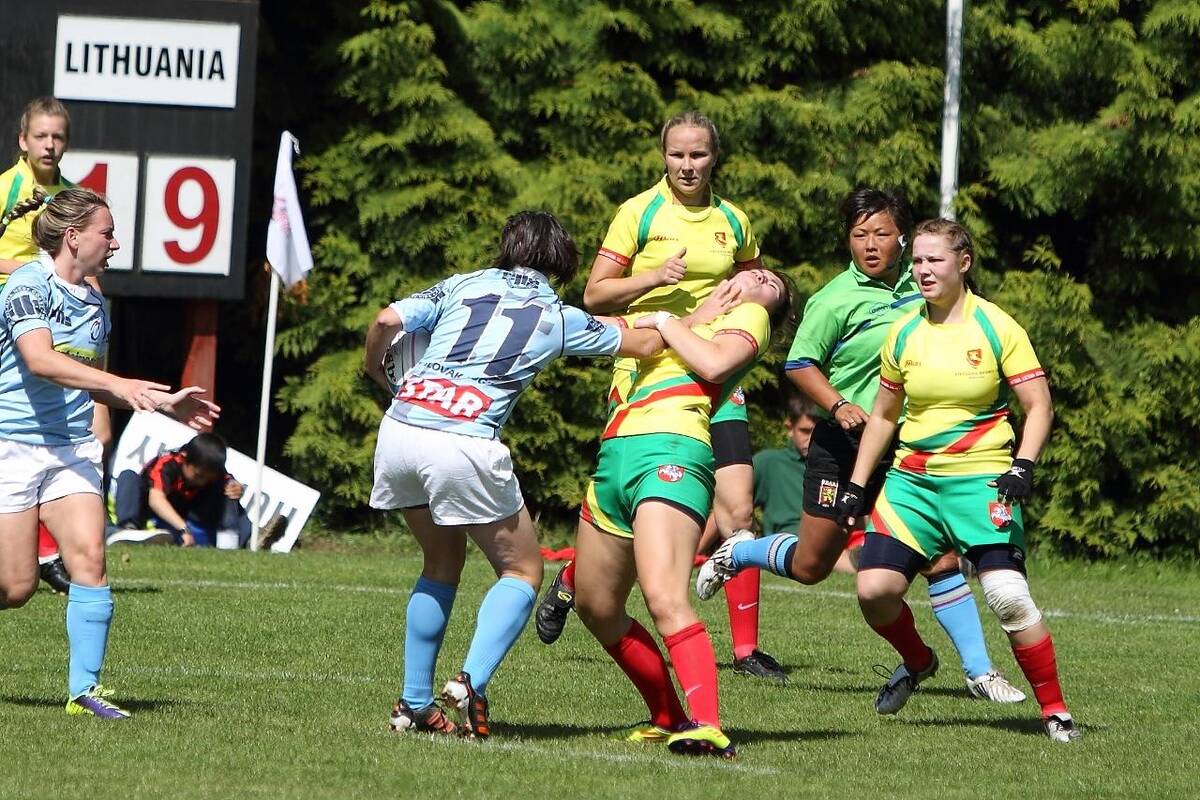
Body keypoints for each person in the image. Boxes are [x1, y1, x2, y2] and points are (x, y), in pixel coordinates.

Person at [696, 188, 1024, 702]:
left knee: (939, 558)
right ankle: (743, 549)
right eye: (859, 235)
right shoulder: (834, 299)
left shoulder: (926, 288)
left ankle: (979, 671)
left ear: (903, 237)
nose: (870, 245)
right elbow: (800, 363)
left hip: (907, 444)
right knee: (811, 566)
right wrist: (839, 404)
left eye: (882, 234)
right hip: (844, 443)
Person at [364, 210, 663, 739]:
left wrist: (377, 371)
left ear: (507, 247)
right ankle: (470, 681)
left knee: (440, 562)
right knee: (523, 571)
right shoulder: (558, 314)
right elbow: (643, 344)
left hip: (401, 427)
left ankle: (414, 703)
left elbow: (388, 321)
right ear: (561, 261)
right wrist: (683, 317)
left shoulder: (464, 283)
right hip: (465, 440)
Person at [536, 110, 784, 681]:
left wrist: (742, 333)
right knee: (638, 515)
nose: (687, 165)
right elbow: (595, 296)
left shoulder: (734, 220)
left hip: (713, 371)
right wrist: (654, 278)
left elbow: (754, 287)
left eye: (698, 154)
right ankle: (574, 579)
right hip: (649, 373)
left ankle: (745, 650)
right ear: (663, 156)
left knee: (738, 507)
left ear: (714, 157)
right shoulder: (639, 212)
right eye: (677, 154)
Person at [835, 218, 1080, 742]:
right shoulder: (903, 332)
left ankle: (1055, 711)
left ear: (963, 263)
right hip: (912, 483)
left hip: (981, 479)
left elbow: (1038, 405)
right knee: (874, 591)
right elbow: (883, 415)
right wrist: (856, 484)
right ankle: (918, 661)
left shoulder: (997, 326)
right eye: (917, 261)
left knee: (1008, 597)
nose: (923, 270)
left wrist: (1023, 464)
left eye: (935, 260)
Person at [0, 187, 218, 719]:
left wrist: (163, 404)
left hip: (71, 448)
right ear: (74, 237)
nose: (115, 243)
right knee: (16, 586)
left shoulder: (96, 303)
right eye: (108, 233)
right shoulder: (28, 284)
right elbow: (40, 360)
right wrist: (121, 383)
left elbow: (91, 383)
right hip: (11, 444)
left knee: (90, 560)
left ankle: (84, 692)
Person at [573, 268, 792, 759]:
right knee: (596, 606)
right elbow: (602, 328)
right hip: (614, 455)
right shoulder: (692, 316)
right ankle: (668, 717)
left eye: (771, 286)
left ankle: (707, 725)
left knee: (664, 598)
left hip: (671, 450)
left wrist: (665, 319)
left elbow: (714, 364)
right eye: (755, 273)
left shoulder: (748, 317)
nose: (758, 279)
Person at [0, 97, 112, 593]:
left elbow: (84, 281)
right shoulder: (7, 187)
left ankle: (46, 548)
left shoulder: (72, 198)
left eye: (58, 136)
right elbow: (39, 273)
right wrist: (32, 273)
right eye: (41, 136)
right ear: (22, 140)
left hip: (53, 332)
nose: (49, 144)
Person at [748, 396, 859, 573]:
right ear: (789, 428)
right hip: (793, 540)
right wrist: (702, 548)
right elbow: (733, 508)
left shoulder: (840, 466)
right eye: (805, 431)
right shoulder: (769, 462)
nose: (812, 438)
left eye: (817, 432)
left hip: (838, 539)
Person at [109, 432, 250, 548]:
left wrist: (236, 489)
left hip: (192, 512)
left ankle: (246, 540)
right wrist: (183, 529)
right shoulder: (167, 464)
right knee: (128, 475)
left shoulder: (213, 470)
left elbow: (228, 481)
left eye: (208, 478)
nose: (203, 482)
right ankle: (129, 530)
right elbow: (156, 500)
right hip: (152, 512)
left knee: (228, 490)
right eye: (198, 475)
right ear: (184, 458)